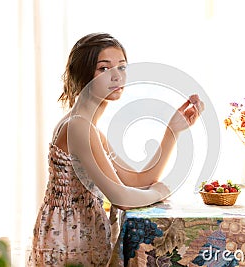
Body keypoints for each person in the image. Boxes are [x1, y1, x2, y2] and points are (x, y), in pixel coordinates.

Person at [28, 32, 204, 266]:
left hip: (81, 232)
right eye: (104, 68)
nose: (116, 76)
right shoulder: (78, 126)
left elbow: (137, 179)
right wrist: (161, 192)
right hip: (70, 240)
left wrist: (173, 131)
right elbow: (122, 198)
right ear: (83, 74)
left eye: (121, 67)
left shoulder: (87, 126)